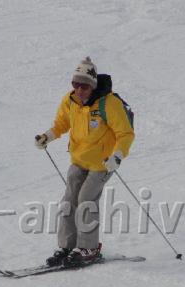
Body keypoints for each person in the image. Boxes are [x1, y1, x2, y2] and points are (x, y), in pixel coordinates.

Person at [34, 57, 135, 266]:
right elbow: (62, 123)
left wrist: (117, 156)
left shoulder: (109, 103)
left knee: (86, 199)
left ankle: (89, 248)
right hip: (78, 160)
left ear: (93, 85)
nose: (79, 90)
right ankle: (67, 247)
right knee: (69, 201)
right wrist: (47, 137)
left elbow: (125, 133)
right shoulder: (70, 100)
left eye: (85, 86)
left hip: (103, 164)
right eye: (76, 84)